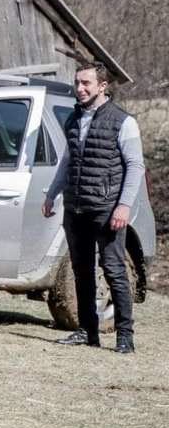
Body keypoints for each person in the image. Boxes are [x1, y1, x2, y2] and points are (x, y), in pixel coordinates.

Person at [43, 63, 143, 354]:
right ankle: (87, 331)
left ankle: (125, 335)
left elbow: (135, 166)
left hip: (106, 208)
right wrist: (52, 193)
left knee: (113, 271)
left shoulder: (123, 121)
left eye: (86, 83)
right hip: (75, 207)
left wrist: (123, 206)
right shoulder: (74, 118)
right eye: (77, 82)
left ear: (103, 86)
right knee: (81, 271)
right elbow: (67, 160)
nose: (79, 88)